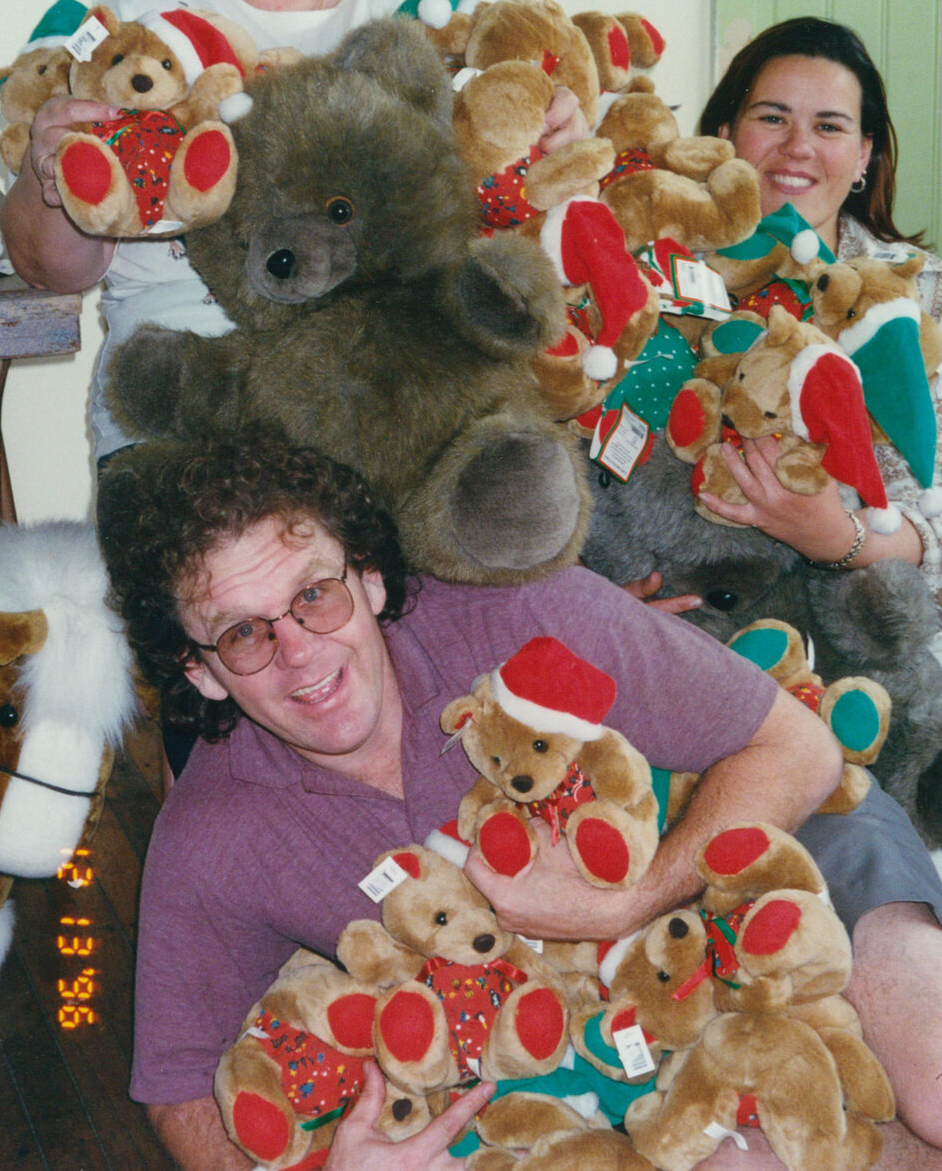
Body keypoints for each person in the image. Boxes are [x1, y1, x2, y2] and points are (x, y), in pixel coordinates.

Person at [97, 427, 942, 1170]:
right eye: (245, 632)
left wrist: (627, 904)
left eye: (314, 595)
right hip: (609, 1032)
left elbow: (796, 748)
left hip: (766, 842)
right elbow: (177, 1089)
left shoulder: (527, 608)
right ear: (199, 670)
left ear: (371, 582)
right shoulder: (210, 838)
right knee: (743, 1161)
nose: (299, 653)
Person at [0, 0, 586, 470]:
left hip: (402, 386)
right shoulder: (136, 23)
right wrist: (51, 173)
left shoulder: (426, 4)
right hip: (194, 383)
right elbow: (53, 271)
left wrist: (548, 137)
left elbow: (495, 206)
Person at [695, 16, 942, 602]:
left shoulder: (925, 292)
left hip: (873, 627)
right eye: (772, 117)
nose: (797, 147)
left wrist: (837, 539)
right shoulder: (664, 274)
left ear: (863, 156)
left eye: (828, 126)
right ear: (727, 133)